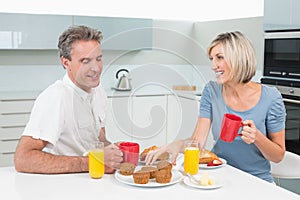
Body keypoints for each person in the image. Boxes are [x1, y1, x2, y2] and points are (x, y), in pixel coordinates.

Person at [146, 31, 286, 183]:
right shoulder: (212, 91)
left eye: (219, 58)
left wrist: (257, 137)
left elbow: (278, 156)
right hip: (219, 174)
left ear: (238, 58)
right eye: (212, 59)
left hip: (257, 180)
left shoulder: (271, 98)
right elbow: (197, 143)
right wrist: (174, 145)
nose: (213, 66)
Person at [14, 25, 123, 174]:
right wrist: (90, 163)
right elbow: (23, 159)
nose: (96, 68)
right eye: (85, 61)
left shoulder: (98, 91)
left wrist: (114, 151)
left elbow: (98, 138)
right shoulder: (55, 97)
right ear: (66, 63)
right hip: (64, 186)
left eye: (98, 59)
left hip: (94, 181)